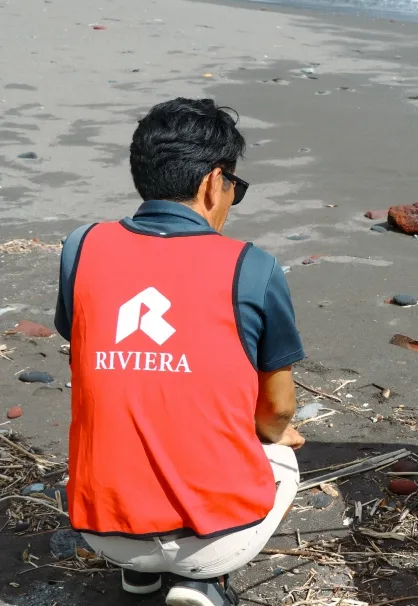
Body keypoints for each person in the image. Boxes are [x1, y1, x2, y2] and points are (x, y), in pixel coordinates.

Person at [54, 98, 306, 606]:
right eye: (235, 185)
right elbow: (277, 409)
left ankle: (138, 573)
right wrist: (276, 434)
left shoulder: (82, 247)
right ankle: (202, 581)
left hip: (102, 526)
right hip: (215, 536)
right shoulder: (251, 267)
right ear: (214, 182)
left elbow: (81, 342)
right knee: (280, 452)